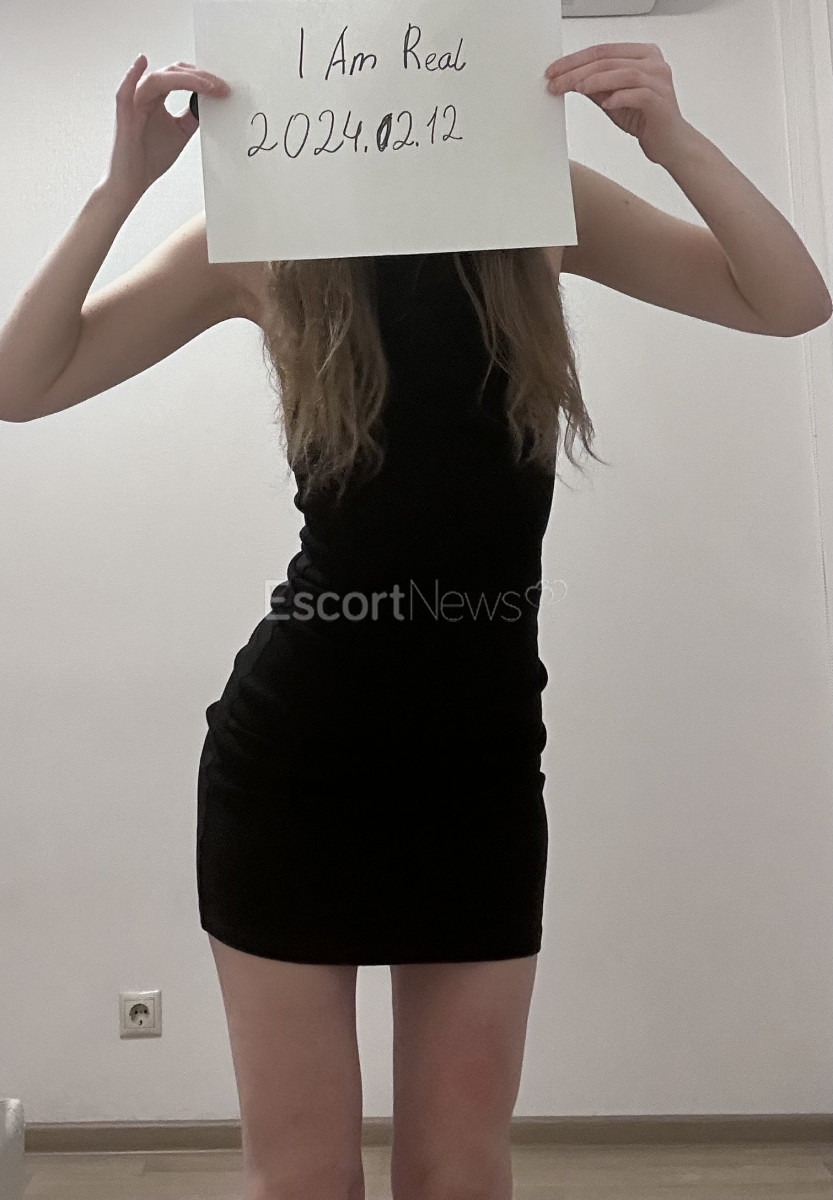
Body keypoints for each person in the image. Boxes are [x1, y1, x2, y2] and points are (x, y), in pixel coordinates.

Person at [0, 45, 829, 1200]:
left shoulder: (534, 206)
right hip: (293, 767)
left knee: (457, 1174)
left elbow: (788, 300)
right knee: (305, 1181)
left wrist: (672, 141)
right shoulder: (263, 233)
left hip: (478, 768)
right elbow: (23, 380)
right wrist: (121, 187)